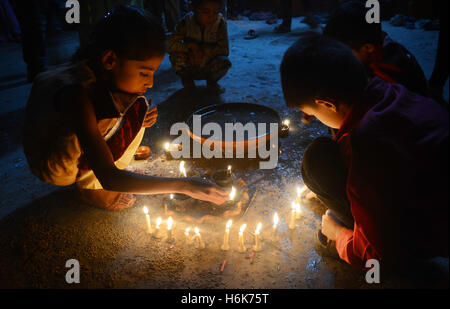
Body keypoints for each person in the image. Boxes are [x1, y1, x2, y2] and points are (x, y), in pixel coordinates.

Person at [23, 5, 229, 210]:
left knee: (139, 106)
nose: (151, 83)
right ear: (110, 59)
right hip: (54, 167)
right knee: (123, 108)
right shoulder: (77, 94)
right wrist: (186, 186)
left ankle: (107, 161)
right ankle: (91, 189)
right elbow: (110, 178)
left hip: (65, 144)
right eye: (144, 73)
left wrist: (138, 117)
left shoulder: (94, 70)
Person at [280, 34, 449, 269]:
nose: (315, 120)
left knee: (317, 162)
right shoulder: (390, 90)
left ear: (327, 103)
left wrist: (338, 234)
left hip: (430, 234)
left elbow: (377, 256)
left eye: (314, 113)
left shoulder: (364, 143)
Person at [324, 0, 429, 98]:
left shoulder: (389, 73)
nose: (341, 57)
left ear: (368, 48)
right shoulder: (378, 40)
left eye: (345, 53)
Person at [168, 0, 231, 93]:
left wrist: (203, 51)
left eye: (216, 12)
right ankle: (187, 80)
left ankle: (212, 82)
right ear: (193, 8)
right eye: (206, 12)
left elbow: (224, 49)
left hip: (208, 64)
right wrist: (190, 47)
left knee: (224, 62)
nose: (211, 17)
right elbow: (169, 45)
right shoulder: (186, 23)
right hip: (190, 63)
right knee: (175, 57)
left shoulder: (220, 23)